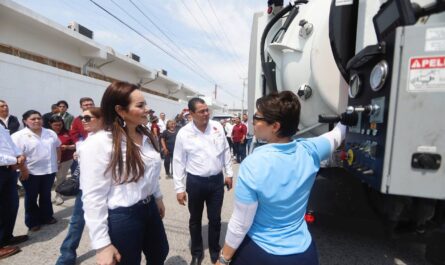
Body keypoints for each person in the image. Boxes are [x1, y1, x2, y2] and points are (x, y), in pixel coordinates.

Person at [216, 91, 346, 265]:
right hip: (304, 253)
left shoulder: (253, 164)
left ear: (275, 126)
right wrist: (346, 120)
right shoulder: (310, 150)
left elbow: (241, 223)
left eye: (257, 117)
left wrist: (224, 258)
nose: (253, 121)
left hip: (263, 252)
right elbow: (336, 136)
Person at [80, 81, 169, 265]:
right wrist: (102, 245)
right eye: (140, 105)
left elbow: (150, 173)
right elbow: (93, 197)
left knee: (160, 252)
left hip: (149, 208)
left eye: (146, 104)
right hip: (123, 216)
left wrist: (157, 197)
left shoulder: (146, 136)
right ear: (120, 110)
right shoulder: (99, 143)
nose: (147, 109)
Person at [173, 97, 233, 265]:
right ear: (191, 113)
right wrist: (179, 188)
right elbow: (178, 161)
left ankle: (215, 251)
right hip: (195, 182)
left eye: (207, 110)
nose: (206, 114)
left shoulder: (217, 127)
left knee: (215, 219)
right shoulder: (184, 133)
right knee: (195, 219)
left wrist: (229, 173)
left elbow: (225, 151)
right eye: (202, 111)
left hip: (216, 181)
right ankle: (197, 253)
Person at [56, 107, 103, 265]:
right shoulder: (86, 139)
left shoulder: (111, 139)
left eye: (88, 118)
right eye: (82, 118)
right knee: (76, 223)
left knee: (109, 225)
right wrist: (79, 155)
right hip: (85, 189)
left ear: (102, 119)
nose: (83, 121)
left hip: (105, 191)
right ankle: (66, 256)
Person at [12, 110, 61, 232]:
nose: (36, 121)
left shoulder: (50, 133)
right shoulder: (18, 136)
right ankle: (32, 222)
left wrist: (58, 162)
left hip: (49, 170)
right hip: (30, 172)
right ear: (25, 121)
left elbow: (57, 147)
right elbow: (16, 156)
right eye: (33, 119)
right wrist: (23, 171)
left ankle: (47, 217)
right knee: (31, 197)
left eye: (39, 118)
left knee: (46, 194)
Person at [0, 125, 28, 259]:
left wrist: (19, 155)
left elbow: (8, 143)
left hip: (8, 170)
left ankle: (6, 237)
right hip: (6, 165)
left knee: (11, 205)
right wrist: (14, 160)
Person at [49, 116, 75, 205]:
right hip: (50, 161)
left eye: (60, 125)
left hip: (65, 160)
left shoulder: (68, 133)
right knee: (49, 180)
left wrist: (67, 147)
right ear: (50, 124)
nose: (58, 127)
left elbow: (75, 145)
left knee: (61, 178)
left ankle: (58, 195)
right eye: (55, 125)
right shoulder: (47, 133)